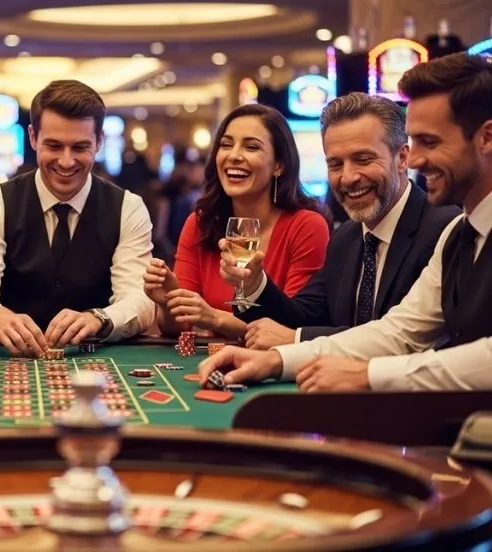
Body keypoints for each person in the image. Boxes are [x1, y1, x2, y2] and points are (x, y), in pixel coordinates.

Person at [201, 52, 492, 392]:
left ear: (486, 137)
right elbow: (397, 333)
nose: (417, 159)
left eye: (431, 142)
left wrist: (366, 375)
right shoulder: (459, 235)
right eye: (335, 163)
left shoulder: (444, 227)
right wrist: (276, 361)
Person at [221, 93, 459, 350]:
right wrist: (254, 284)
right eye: (335, 164)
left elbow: (395, 336)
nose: (347, 177)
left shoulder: (445, 230)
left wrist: (299, 339)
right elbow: (300, 316)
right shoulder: (346, 236)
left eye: (363, 159)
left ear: (402, 158)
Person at [0, 79, 155, 356]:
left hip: (94, 360)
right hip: (10, 358)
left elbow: (139, 298)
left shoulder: (129, 207)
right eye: (54, 145)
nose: (66, 161)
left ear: (99, 141)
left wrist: (97, 318)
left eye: (79, 147)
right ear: (33, 137)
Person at [143, 104, 330, 338]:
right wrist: (168, 301)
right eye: (226, 145)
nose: (234, 156)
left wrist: (214, 318)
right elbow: (177, 328)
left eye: (251, 147)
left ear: (279, 165)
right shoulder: (200, 223)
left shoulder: (307, 226)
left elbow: (292, 329)